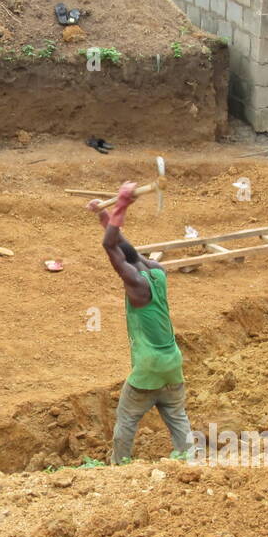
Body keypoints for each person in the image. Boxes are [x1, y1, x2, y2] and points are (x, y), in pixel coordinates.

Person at [92, 181, 192, 464]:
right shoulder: (157, 272)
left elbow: (109, 246)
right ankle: (188, 458)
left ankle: (119, 466)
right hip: (172, 363)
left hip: (148, 367)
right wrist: (104, 216)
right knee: (176, 416)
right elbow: (125, 248)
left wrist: (122, 203)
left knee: (126, 419)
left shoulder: (136, 286)